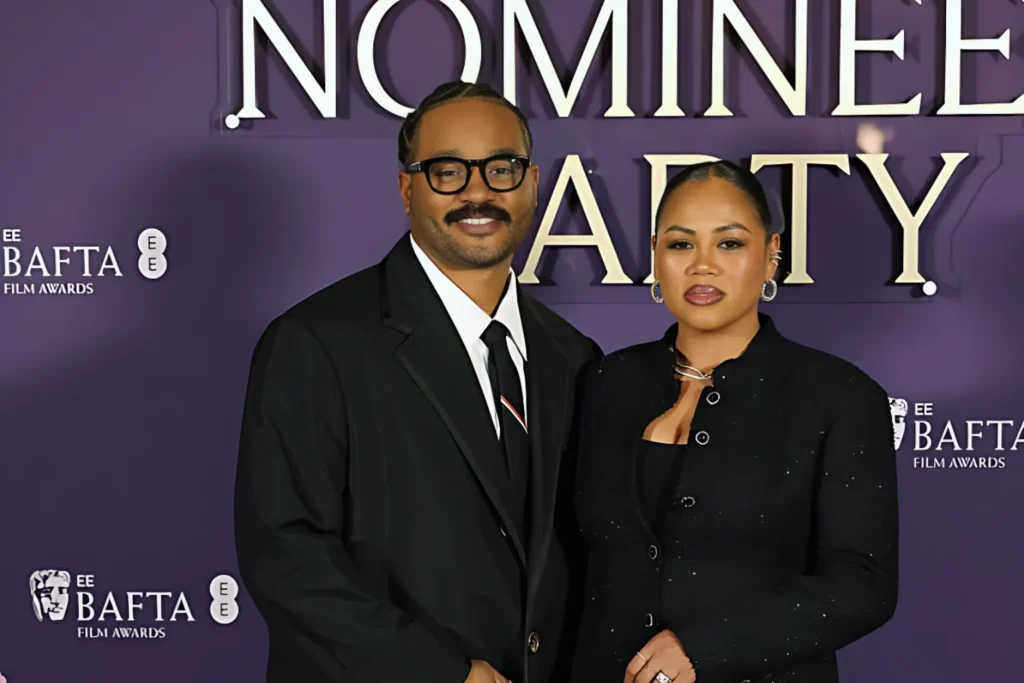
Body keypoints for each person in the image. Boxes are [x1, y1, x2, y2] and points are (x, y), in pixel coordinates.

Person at [233, 80, 601, 683]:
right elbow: (287, 555)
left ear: (532, 184)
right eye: (448, 171)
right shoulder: (316, 343)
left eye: (501, 168)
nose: (478, 191)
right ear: (408, 188)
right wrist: (445, 672)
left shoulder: (573, 356)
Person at [568, 161, 898, 683]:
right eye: (680, 245)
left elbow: (863, 585)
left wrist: (703, 648)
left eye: (729, 244)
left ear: (771, 256)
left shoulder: (839, 397)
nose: (702, 266)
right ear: (656, 254)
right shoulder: (604, 383)